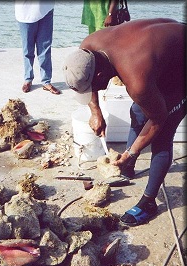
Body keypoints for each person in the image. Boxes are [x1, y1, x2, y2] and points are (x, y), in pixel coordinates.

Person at [63, 18, 186, 227]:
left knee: (162, 134)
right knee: (137, 112)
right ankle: (128, 167)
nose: (97, 91)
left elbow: (157, 120)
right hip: (164, 49)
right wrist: (96, 112)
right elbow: (91, 81)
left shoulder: (137, 80)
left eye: (94, 86)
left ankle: (148, 203)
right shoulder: (88, 47)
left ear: (100, 75)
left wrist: (132, 151)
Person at [15, 0, 61, 94]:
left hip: (46, 9)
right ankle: (28, 79)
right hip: (25, 12)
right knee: (28, 49)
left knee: (45, 47)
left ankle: (46, 81)